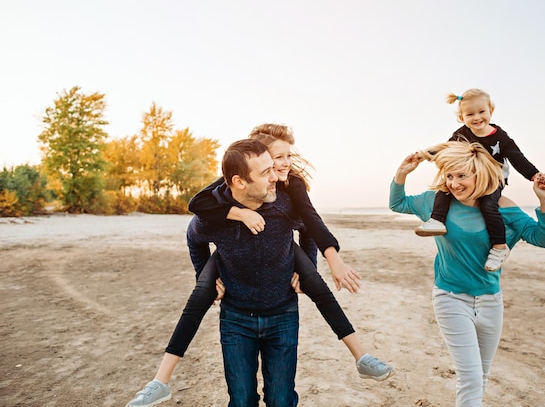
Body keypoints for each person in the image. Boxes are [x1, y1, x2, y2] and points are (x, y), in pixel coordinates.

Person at [127, 127, 393, 407]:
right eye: (269, 167)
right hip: (236, 319)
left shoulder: (287, 200)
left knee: (281, 399)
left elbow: (310, 226)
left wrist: (312, 266)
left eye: (279, 162)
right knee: (241, 400)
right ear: (240, 181)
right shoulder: (214, 210)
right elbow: (194, 236)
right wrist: (205, 272)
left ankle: (361, 357)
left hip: (283, 315)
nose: (278, 173)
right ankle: (160, 382)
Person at [389, 141, 545, 407]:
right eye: (450, 176)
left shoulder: (503, 207)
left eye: (462, 176)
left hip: (491, 300)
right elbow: (397, 204)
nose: (454, 184)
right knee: (470, 376)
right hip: (450, 297)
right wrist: (402, 173)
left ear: (480, 174)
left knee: (482, 375)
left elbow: (541, 238)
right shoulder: (436, 202)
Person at [414, 88, 544, 272]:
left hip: (493, 180)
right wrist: (426, 154)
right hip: (468, 178)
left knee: (488, 205)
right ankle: (437, 220)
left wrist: (534, 175)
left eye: (481, 112)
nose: (476, 117)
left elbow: (518, 158)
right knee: (444, 187)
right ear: (461, 117)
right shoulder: (462, 134)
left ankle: (499, 247)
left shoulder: (500, 137)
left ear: (491, 110)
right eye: (470, 114)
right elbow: (447, 149)